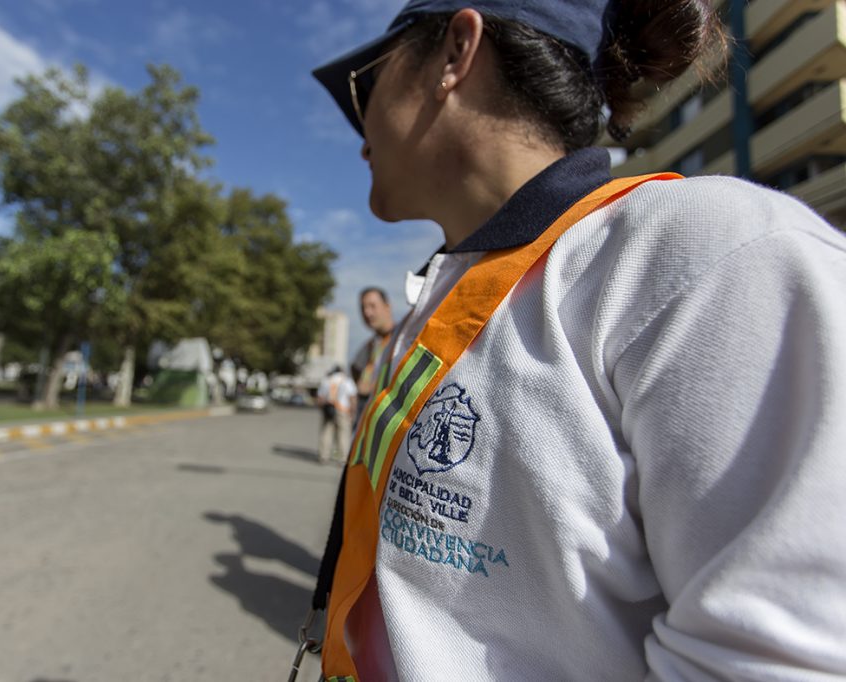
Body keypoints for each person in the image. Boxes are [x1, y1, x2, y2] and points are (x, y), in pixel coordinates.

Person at [305, 1, 846, 680]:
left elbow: (781, 660)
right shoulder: (444, 292)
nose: (357, 132)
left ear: (454, 53)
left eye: (365, 88)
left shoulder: (703, 253)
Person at [350, 287, 395, 422]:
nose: (367, 312)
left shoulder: (404, 341)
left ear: (387, 306)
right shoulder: (368, 347)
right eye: (363, 308)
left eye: (372, 306)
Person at [316, 366, 357, 464]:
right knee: (343, 434)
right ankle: (343, 458)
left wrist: (323, 409)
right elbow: (352, 398)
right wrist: (353, 412)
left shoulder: (326, 381)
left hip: (328, 409)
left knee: (326, 433)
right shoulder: (347, 381)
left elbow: (320, 399)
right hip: (343, 410)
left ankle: (323, 456)